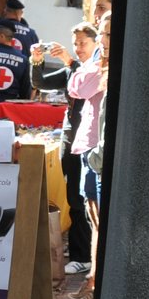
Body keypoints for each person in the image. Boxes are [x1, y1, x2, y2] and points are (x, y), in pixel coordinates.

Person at [32, 22, 98, 274]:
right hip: (69, 138)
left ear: (94, 44)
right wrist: (36, 60)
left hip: (87, 140)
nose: (79, 48)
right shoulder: (71, 68)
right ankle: (80, 252)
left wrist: (70, 61)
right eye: (75, 43)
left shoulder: (88, 68)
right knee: (73, 196)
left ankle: (83, 255)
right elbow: (39, 82)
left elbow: (85, 80)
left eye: (83, 43)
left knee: (83, 198)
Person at [63, 11, 110, 299]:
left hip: (101, 149)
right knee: (93, 218)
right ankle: (92, 281)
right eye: (103, 34)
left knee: (101, 223)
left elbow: (83, 84)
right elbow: (76, 87)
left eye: (107, 34)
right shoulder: (98, 62)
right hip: (89, 147)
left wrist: (90, 70)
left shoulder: (107, 65)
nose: (104, 42)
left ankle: (97, 291)